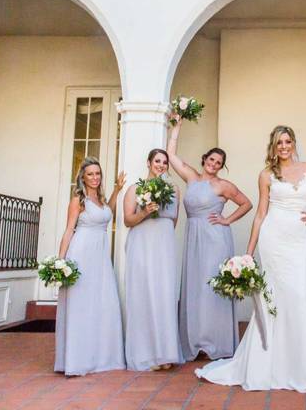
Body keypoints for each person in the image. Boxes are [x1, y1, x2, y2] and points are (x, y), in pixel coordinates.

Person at [195, 125, 306, 391]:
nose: (283, 146)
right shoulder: (266, 174)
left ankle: (304, 364)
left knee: (298, 294)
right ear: (273, 146)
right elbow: (260, 213)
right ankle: (267, 362)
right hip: (273, 238)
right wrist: (249, 251)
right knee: (272, 296)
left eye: (287, 141)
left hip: (298, 238)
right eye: (279, 142)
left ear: (293, 143)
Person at [168, 115, 252, 360]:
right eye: (212, 159)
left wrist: (227, 219)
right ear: (204, 159)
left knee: (211, 287)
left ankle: (216, 341)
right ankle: (195, 341)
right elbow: (171, 155)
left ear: (221, 166)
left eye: (219, 162)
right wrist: (177, 126)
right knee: (195, 287)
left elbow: (247, 203)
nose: (214, 164)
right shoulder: (191, 178)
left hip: (215, 238)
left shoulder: (223, 185)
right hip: (194, 237)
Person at [54, 157, 126, 375]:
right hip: (82, 252)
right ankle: (77, 360)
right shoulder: (79, 199)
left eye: (98, 174)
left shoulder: (101, 199)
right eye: (90, 174)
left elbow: (108, 213)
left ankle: (101, 357)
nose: (95, 178)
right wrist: (60, 261)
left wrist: (117, 190)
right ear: (82, 177)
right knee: (81, 304)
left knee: (102, 302)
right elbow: (69, 230)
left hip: (101, 257)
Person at [123, 148, 184, 370]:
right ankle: (145, 353)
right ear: (148, 162)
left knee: (163, 294)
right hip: (141, 244)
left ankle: (165, 354)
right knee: (143, 293)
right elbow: (128, 220)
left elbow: (173, 220)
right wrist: (145, 212)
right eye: (157, 161)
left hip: (163, 246)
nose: (161, 165)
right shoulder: (135, 189)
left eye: (165, 162)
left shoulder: (175, 189)